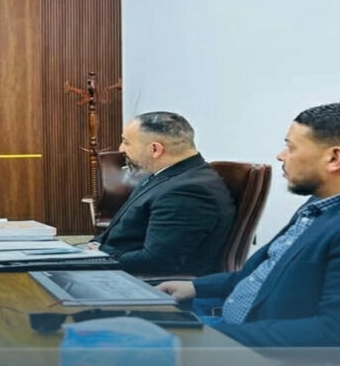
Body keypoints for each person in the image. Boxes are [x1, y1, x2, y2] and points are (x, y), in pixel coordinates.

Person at [158, 101, 340, 348]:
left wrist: (204, 338)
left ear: (335, 158)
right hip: (229, 322)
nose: (281, 156)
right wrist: (195, 287)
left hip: (253, 348)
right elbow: (268, 274)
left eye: (291, 147)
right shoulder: (329, 198)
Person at [88, 112, 235, 275]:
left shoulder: (187, 192)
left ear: (155, 149)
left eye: (126, 142)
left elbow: (157, 262)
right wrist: (93, 247)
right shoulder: (166, 176)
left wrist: (101, 255)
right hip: (117, 265)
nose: (121, 149)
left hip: (137, 280)